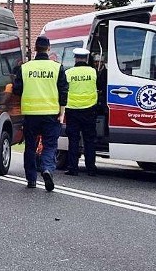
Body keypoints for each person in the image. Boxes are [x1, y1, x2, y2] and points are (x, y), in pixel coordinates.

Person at [12, 36, 68, 191]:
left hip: (30, 114)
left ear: (35, 49)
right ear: (48, 49)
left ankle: (31, 180)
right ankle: (46, 168)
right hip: (51, 113)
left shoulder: (25, 68)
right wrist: (61, 112)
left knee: (30, 146)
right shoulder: (57, 68)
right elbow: (64, 92)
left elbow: (17, 89)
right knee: (50, 145)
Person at [64, 47, 98, 176]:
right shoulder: (93, 72)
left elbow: (64, 90)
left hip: (72, 110)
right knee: (89, 140)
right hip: (89, 109)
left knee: (73, 140)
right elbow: (99, 86)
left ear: (75, 58)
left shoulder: (69, 73)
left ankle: (73, 168)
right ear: (86, 58)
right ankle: (91, 168)